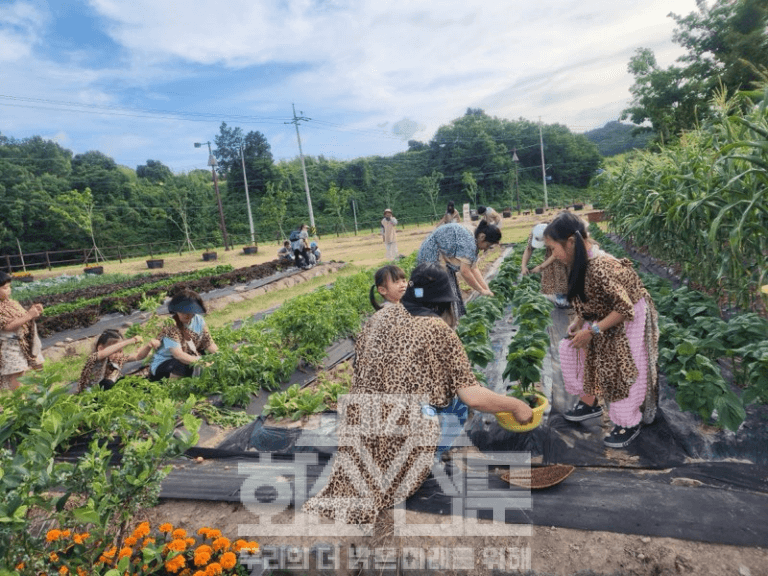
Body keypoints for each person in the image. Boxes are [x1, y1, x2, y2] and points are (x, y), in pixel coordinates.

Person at [302, 263, 533, 525]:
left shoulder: (376, 319)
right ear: (444, 300)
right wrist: (515, 405)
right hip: (400, 433)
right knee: (457, 405)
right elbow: (473, 396)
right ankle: (422, 458)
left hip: (359, 429)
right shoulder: (437, 329)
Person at [544, 212, 659, 448]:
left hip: (629, 314)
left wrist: (593, 330)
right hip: (606, 312)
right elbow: (592, 298)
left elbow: (624, 309)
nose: (553, 255)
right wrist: (580, 320)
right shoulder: (582, 261)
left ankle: (628, 421)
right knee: (577, 348)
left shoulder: (600, 267)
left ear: (571, 242)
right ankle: (591, 401)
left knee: (621, 365)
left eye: (554, 248)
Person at [417, 221, 500, 318]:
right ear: (482, 237)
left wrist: (486, 289)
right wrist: (481, 290)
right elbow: (465, 271)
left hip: (441, 258)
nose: (485, 249)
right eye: (487, 245)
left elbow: (473, 268)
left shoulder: (473, 240)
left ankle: (451, 320)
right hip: (431, 257)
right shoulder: (470, 243)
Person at [149, 290, 219, 381]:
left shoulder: (199, 320)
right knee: (183, 365)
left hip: (186, 355)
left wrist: (219, 356)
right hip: (165, 363)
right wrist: (202, 362)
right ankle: (172, 389)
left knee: (206, 357)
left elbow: (208, 343)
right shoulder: (171, 325)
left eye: (189, 312)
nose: (186, 315)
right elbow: (178, 355)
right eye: (182, 312)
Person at [0, 271, 44, 390]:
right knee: (18, 372)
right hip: (10, 345)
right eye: (5, 288)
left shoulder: (12, 303)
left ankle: (42, 391)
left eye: (9, 287)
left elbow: (23, 318)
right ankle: (19, 400)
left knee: (38, 364)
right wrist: (29, 315)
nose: (9, 290)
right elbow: (8, 326)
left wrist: (34, 311)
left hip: (27, 341)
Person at [78, 330, 160, 393]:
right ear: (100, 348)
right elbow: (103, 354)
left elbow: (138, 356)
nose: (119, 355)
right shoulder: (94, 359)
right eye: (115, 351)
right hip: (92, 394)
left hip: (109, 390)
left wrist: (149, 345)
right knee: (108, 383)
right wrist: (129, 341)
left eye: (120, 351)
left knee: (139, 375)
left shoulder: (116, 360)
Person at [521, 222, 570, 308]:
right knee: (549, 269)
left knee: (559, 266)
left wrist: (541, 267)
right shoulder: (535, 232)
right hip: (553, 250)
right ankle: (555, 293)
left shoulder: (556, 233)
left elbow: (556, 254)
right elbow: (529, 249)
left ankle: (563, 297)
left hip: (565, 252)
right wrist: (523, 266)